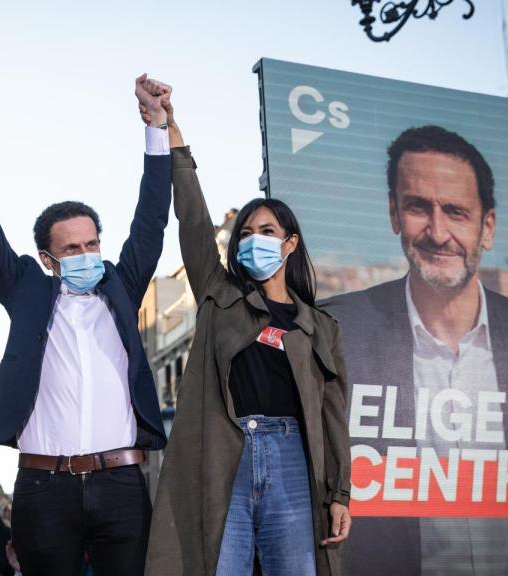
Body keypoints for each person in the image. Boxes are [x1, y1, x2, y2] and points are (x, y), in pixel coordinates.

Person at [321, 124, 508, 573]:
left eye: (456, 211)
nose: (438, 231)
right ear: (394, 215)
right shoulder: (340, 331)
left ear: (488, 227)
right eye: (417, 207)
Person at [0, 74, 173, 576]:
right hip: (45, 489)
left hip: (122, 485)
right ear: (48, 258)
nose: (87, 255)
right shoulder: (26, 289)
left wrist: (157, 127)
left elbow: (151, 220)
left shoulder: (122, 286)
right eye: (72, 248)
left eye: (92, 244)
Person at [143, 93, 351, 576]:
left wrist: (339, 493)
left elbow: (333, 416)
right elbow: (193, 219)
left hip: (292, 459)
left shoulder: (321, 327)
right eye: (246, 232)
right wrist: (172, 133)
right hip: (225, 454)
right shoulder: (220, 295)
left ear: (290, 243)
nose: (254, 239)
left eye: (267, 230)